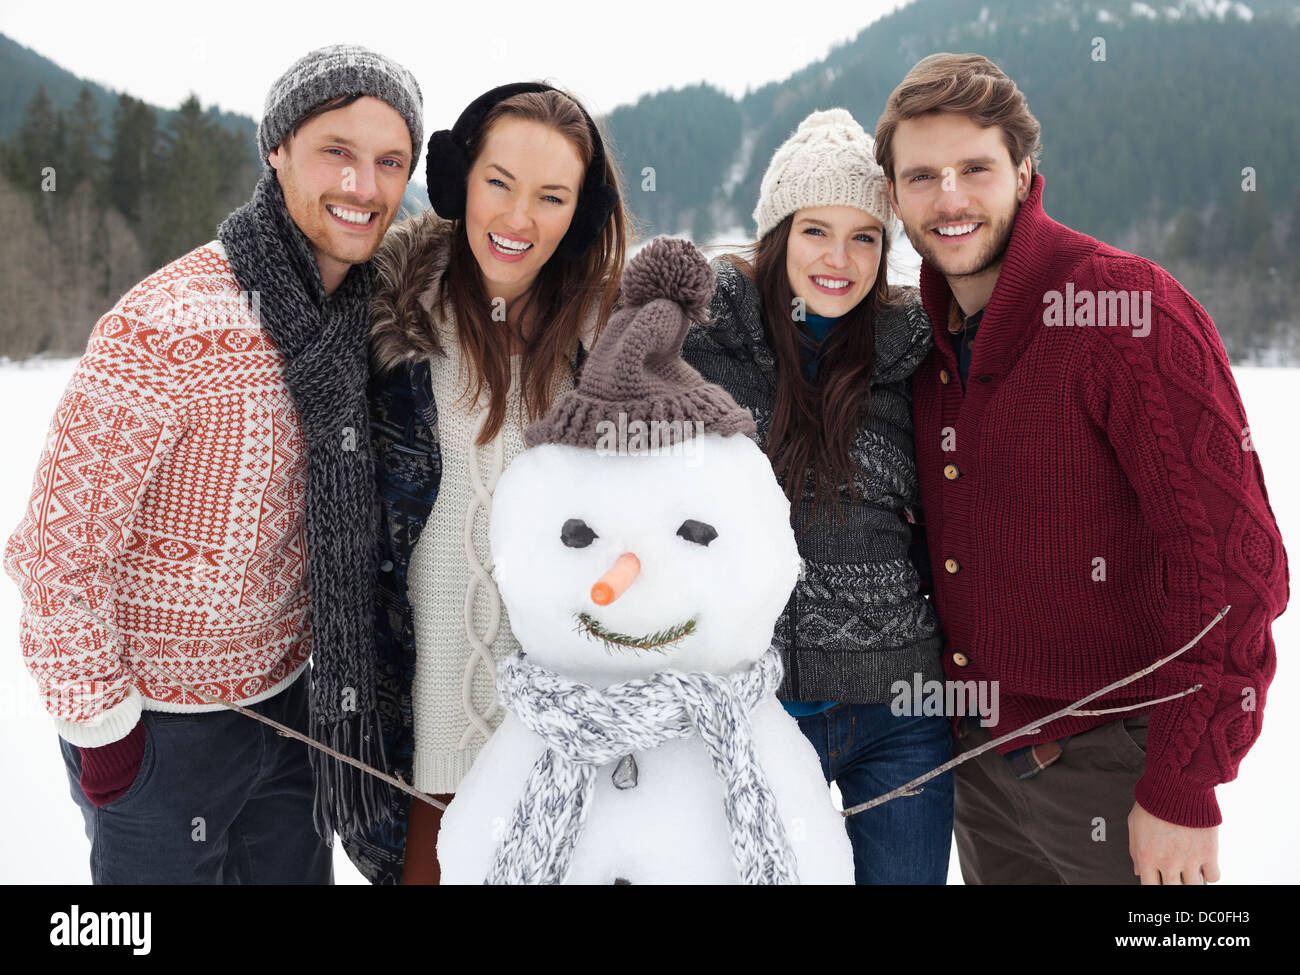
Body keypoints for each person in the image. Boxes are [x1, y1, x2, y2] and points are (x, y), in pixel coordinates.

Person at [3, 44, 424, 883]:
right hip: (161, 734)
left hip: (295, 714)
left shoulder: (363, 316)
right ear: (276, 150)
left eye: (389, 162)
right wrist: (111, 738)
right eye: (336, 152)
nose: (363, 186)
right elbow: (55, 554)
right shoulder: (164, 324)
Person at [877, 52, 1289, 884]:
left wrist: (1184, 782)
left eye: (975, 169)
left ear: (1025, 171)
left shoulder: (1125, 312)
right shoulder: (921, 345)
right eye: (922, 176)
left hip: (1116, 765)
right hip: (981, 772)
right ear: (893, 196)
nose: (949, 198)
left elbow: (1238, 574)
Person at [340, 82, 628, 885]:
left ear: (580, 213)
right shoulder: (380, 324)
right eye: (498, 182)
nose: (517, 218)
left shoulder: (611, 353)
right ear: (461, 178)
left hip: (565, 759)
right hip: (417, 757)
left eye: (551, 196)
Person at [680, 109, 952, 885]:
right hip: (754, 713)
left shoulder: (908, 353)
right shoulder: (703, 341)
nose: (840, 259)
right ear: (776, 234)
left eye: (865, 236)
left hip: (898, 716)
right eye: (815, 231)